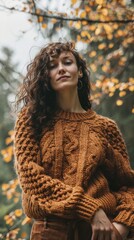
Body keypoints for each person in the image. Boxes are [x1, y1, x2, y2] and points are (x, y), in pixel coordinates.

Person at [14, 41, 134, 240]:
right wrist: (91, 210)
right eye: (52, 66)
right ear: (46, 77)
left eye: (67, 62)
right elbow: (30, 178)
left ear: (79, 72)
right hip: (51, 231)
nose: (60, 68)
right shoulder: (31, 119)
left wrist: (122, 225)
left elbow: (128, 186)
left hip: (102, 233)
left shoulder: (106, 127)